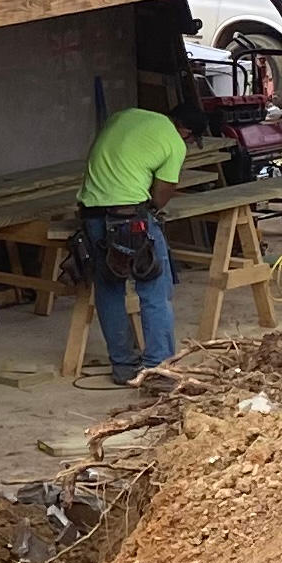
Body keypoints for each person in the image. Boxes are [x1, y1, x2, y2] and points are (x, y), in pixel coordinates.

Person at [78, 97, 190, 386]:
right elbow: (160, 198)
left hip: (91, 213)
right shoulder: (175, 143)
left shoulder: (123, 115)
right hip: (130, 216)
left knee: (110, 287)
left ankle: (124, 366)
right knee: (154, 288)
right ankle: (159, 367)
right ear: (186, 132)